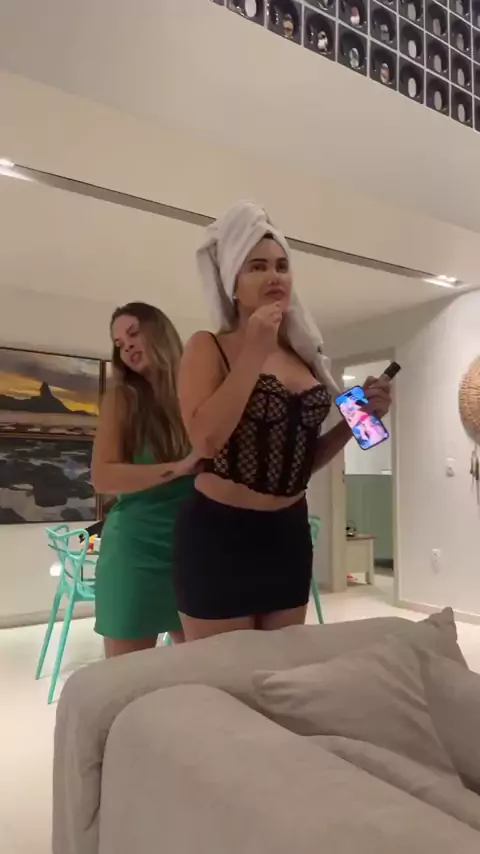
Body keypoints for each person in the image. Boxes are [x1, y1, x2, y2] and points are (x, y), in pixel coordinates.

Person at [174, 201, 391, 641]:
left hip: (288, 534)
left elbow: (300, 463)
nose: (274, 276)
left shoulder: (305, 357)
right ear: (233, 284)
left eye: (281, 266)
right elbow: (206, 440)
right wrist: (255, 349)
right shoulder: (207, 346)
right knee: (226, 673)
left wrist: (359, 421)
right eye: (257, 267)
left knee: (282, 670)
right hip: (219, 534)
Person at [92, 301, 197, 657]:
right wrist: (178, 468)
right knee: (127, 677)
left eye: (133, 333)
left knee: (203, 669)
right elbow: (103, 476)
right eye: (119, 343)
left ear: (160, 332)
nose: (127, 347)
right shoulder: (123, 398)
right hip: (136, 551)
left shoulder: (199, 391)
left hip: (193, 548)